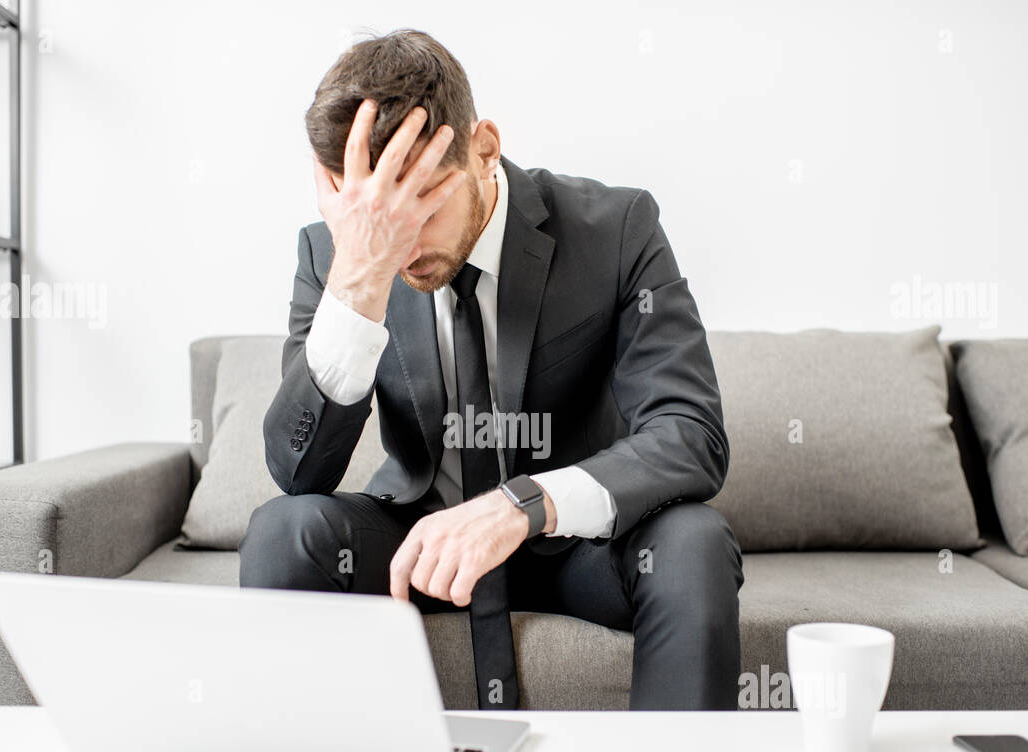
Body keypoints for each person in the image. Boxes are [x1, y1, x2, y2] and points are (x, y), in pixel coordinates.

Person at [240, 29, 743, 711]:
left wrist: (523, 505)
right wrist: (359, 277)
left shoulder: (618, 228)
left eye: (426, 200)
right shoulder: (339, 255)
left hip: (573, 542)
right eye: (380, 215)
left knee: (694, 541)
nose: (403, 242)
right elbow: (299, 473)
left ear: (484, 148)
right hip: (419, 543)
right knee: (281, 531)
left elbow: (691, 433)